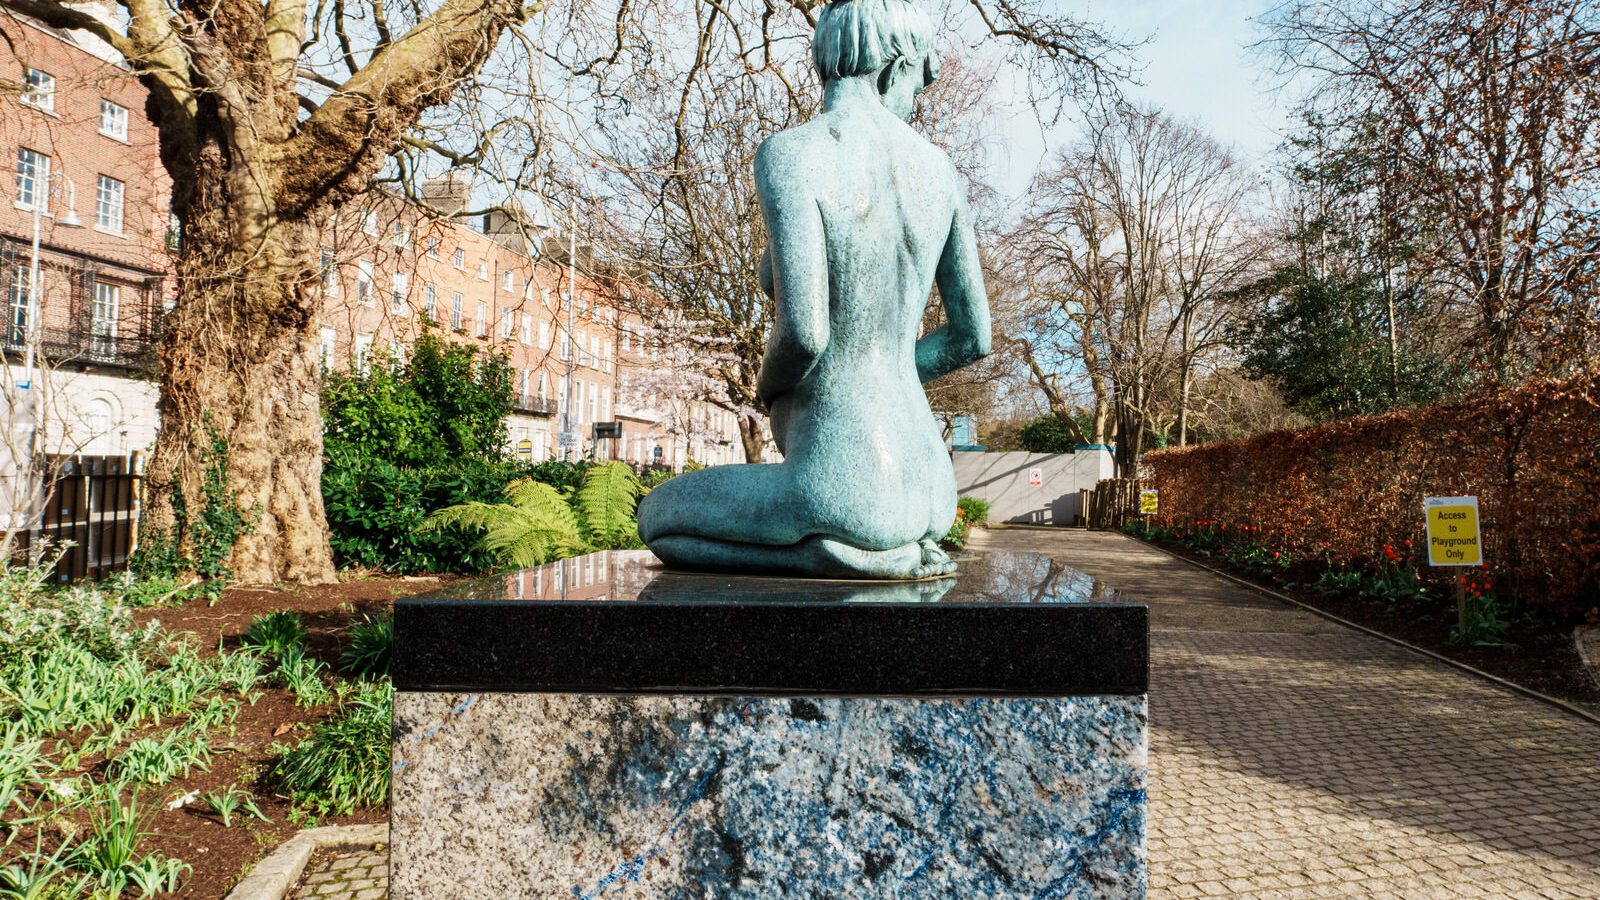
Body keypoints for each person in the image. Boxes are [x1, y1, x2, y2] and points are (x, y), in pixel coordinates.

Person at [637, 0, 991, 579]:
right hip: (929, 487)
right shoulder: (941, 172)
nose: (916, 101)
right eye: (920, 82)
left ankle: (835, 551)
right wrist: (893, 366)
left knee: (658, 516)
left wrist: (768, 390)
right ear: (892, 69)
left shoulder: (793, 155)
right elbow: (972, 337)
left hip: (845, 487)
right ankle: (877, 551)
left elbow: (804, 333)